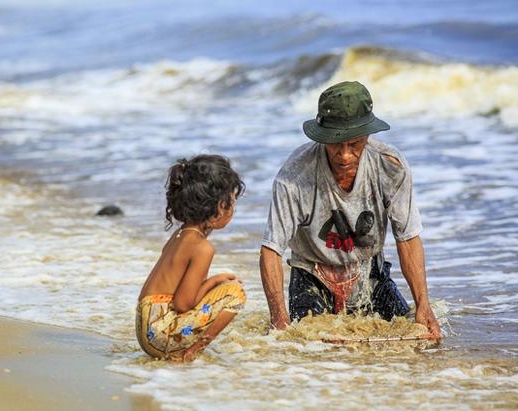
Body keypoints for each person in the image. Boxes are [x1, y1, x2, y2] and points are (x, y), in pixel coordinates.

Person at [260, 81, 441, 339]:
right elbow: (271, 249)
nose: (345, 156)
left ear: (368, 136)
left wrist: (424, 305)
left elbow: (408, 237)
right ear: (321, 137)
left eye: (354, 144)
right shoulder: (294, 176)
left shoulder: (391, 167)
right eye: (336, 144)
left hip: (368, 272)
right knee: (308, 346)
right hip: (311, 273)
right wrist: (278, 318)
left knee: (415, 338)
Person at [136, 154, 247, 362]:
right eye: (231, 202)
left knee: (222, 290)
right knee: (235, 293)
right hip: (161, 335)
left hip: (147, 331)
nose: (232, 209)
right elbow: (183, 303)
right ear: (219, 206)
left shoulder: (180, 235)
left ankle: (182, 349)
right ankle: (191, 352)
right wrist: (214, 281)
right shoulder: (202, 247)